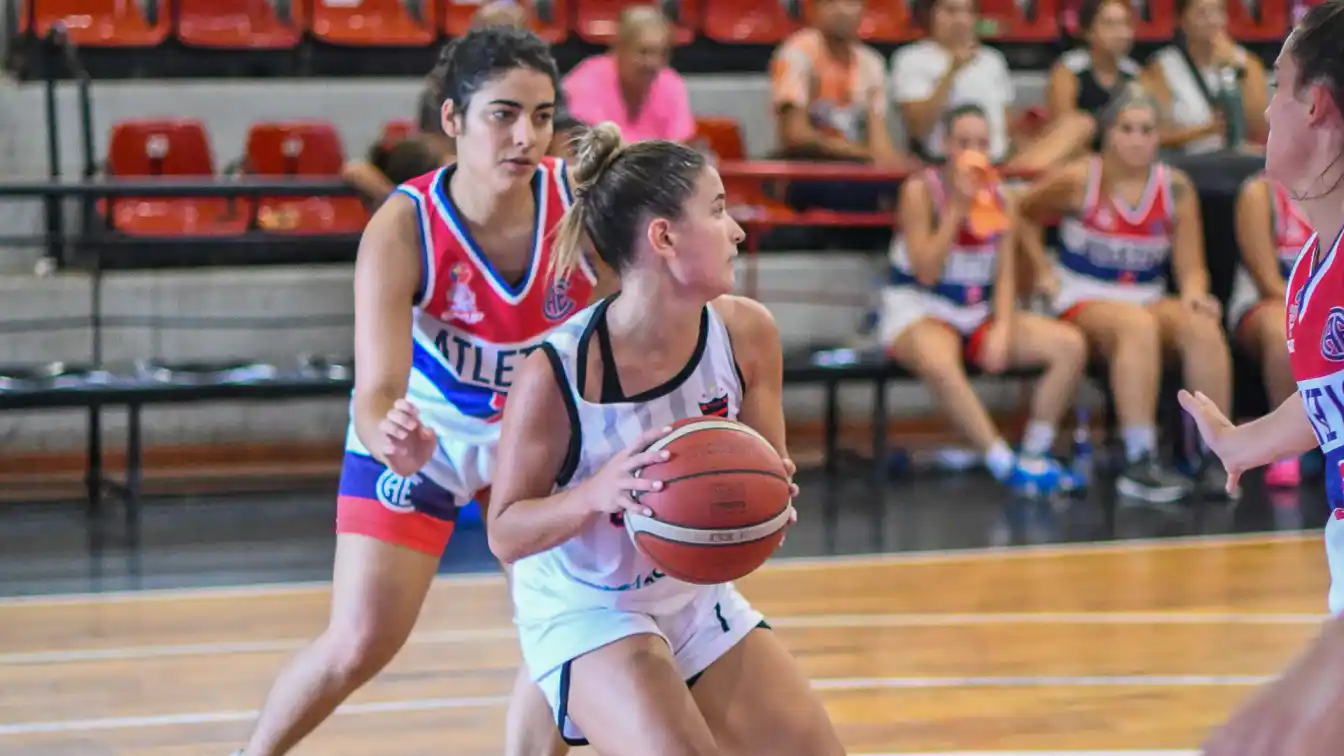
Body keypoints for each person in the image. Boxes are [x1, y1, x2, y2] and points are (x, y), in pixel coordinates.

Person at [231, 26, 610, 756]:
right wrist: (391, 438)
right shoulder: (404, 225)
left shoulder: (583, 207)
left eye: (542, 115)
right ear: (452, 120)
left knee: (565, 630)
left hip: (536, 442)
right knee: (357, 643)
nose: (525, 136)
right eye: (503, 113)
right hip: (430, 433)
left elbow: (627, 338)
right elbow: (375, 392)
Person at [486, 122, 846, 756]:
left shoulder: (747, 335)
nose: (736, 230)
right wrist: (596, 493)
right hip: (587, 604)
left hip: (690, 597)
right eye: (718, 210)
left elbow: (768, 470)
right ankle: (557, 682)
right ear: (664, 237)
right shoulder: (558, 371)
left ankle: (543, 713)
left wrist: (765, 499)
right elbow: (505, 531)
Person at [1184, 3, 1344, 752]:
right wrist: (1247, 442)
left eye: (1277, 87)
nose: (1266, 111)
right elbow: (1331, 399)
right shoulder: (1318, 258)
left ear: (1315, 104)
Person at [1018, 83, 1233, 504]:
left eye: (1147, 130)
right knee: (1135, 326)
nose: (1137, 139)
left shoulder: (1176, 188)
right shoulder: (1081, 177)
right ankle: (1139, 459)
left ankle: (1217, 455)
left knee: (1202, 326)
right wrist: (1042, 271)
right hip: (1084, 293)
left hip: (1146, 293)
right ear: (1109, 134)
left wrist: (1194, 293)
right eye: (1127, 129)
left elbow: (1191, 267)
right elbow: (1021, 210)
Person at [882, 104, 1088, 495]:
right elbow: (927, 270)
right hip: (921, 304)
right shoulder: (920, 191)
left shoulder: (1002, 198)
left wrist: (1004, 328)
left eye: (981, 142)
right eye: (964, 142)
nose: (973, 151)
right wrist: (957, 210)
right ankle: (1001, 462)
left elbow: (1004, 274)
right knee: (939, 359)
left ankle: (1033, 454)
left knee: (1069, 345)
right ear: (945, 146)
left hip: (976, 309)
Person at [1228, 172, 1312, 486]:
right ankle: (1288, 449)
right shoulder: (1260, 194)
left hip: (1327, 306)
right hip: (1267, 303)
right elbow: (1268, 281)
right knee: (1284, 330)